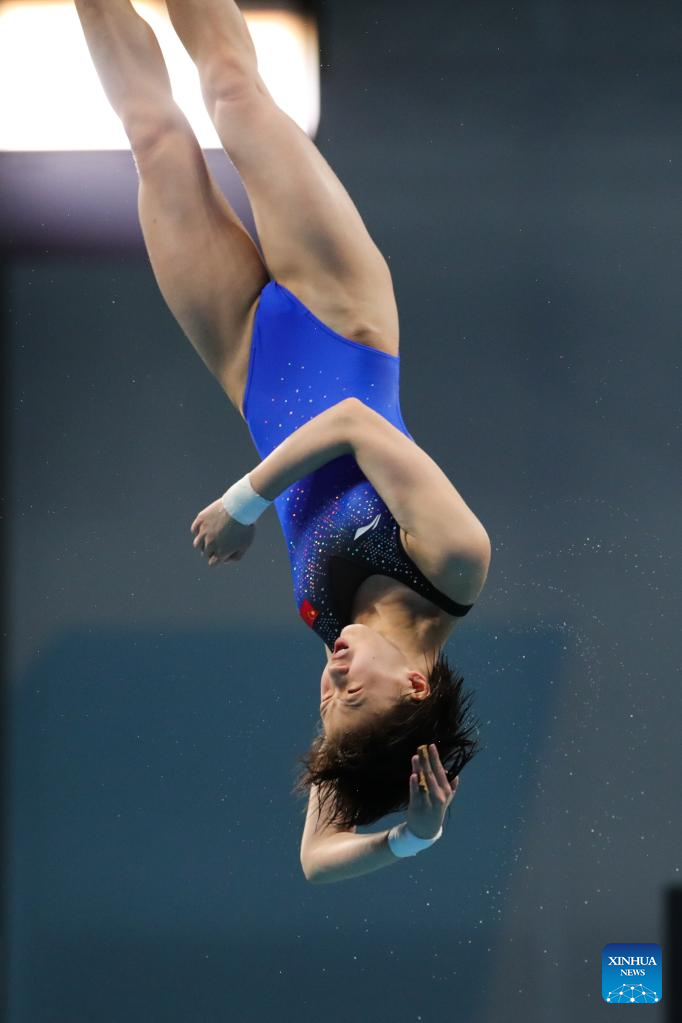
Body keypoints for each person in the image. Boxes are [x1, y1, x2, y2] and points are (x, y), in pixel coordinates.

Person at [74, 0, 492, 884]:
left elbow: (313, 860)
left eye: (325, 702)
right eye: (351, 694)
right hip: (341, 312)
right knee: (230, 88)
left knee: (153, 135)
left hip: (249, 363)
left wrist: (412, 838)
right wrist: (243, 502)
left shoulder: (349, 649)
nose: (329, 681)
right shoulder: (456, 562)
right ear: (416, 686)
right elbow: (354, 425)